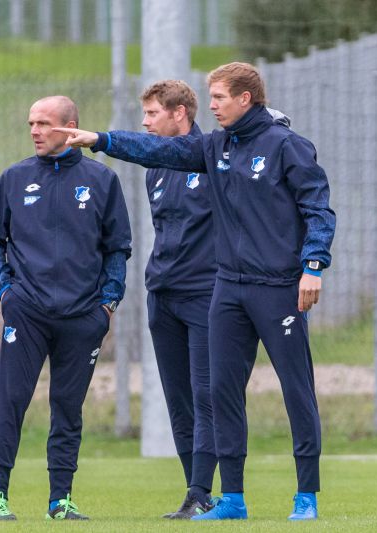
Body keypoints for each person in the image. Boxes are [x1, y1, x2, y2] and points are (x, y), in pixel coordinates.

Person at [55, 62, 336, 521]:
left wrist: (313, 265)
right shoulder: (214, 147)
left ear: (245, 98)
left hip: (278, 287)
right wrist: (102, 140)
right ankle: (233, 499)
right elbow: (157, 149)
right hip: (228, 288)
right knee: (220, 393)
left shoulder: (287, 146)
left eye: (220, 98)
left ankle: (306, 495)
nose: (213, 106)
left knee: (296, 389)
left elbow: (318, 209)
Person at [0, 95, 132, 521]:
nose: (35, 131)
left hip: (83, 318)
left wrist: (107, 304)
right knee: (11, 401)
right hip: (27, 313)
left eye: (44, 123)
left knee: (67, 408)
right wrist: (5, 292)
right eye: (31, 123)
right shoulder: (14, 178)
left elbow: (118, 248)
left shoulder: (102, 180)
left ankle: (60, 501)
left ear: (71, 126)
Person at [136, 80, 219, 519]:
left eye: (152, 114)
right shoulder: (156, 167)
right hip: (162, 296)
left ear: (179, 113)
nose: (145, 122)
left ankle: (202, 491)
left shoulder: (211, 158)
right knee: (179, 400)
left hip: (205, 294)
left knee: (207, 396)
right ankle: (195, 492)